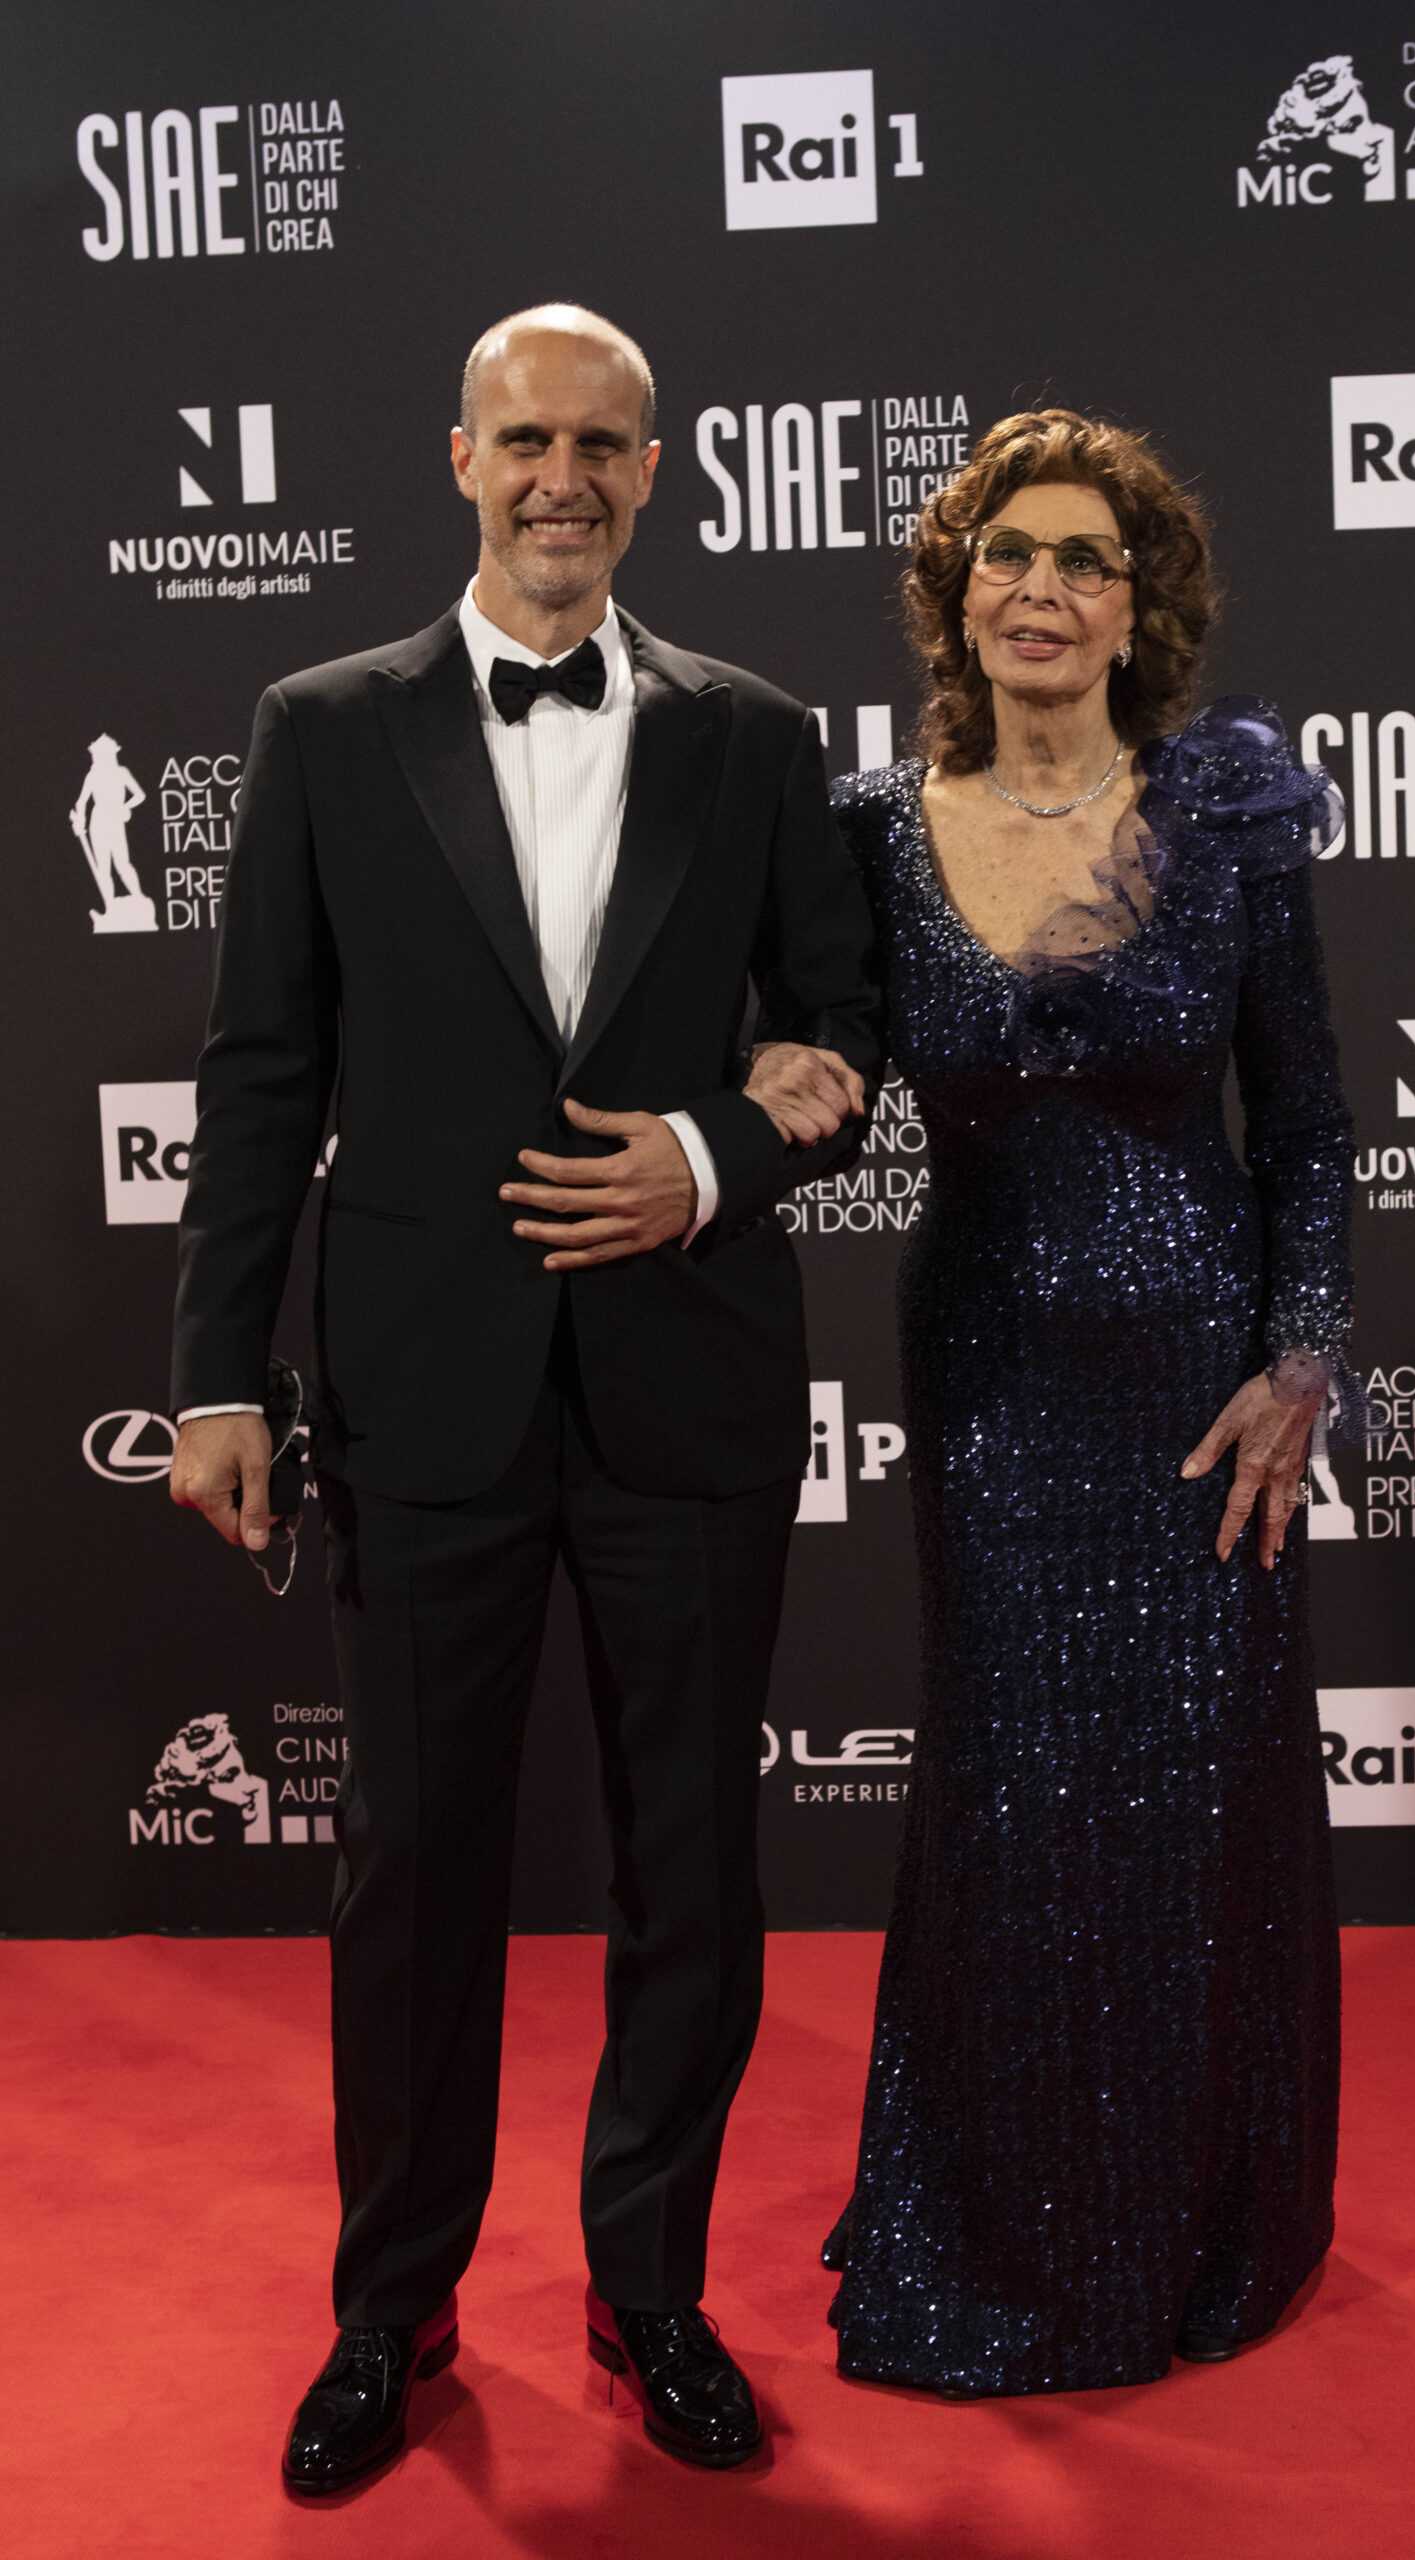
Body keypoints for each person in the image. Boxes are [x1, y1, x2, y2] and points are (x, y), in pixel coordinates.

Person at [168, 303, 880, 2488]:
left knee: (690, 1861)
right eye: (524, 440)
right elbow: (261, 1067)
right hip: (417, 1391)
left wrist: (705, 1155)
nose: (562, 475)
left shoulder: (754, 736)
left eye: (602, 442)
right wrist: (215, 1371)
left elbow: (846, 1038)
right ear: (456, 459)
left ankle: (647, 2284)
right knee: (409, 1872)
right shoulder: (321, 723)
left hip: (689, 1393)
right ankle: (391, 2311)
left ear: (652, 470)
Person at [824, 409, 1354, 2395]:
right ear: (957, 593)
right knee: (1008, 1807)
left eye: (1082, 558)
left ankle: (1202, 2216)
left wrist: (1299, 1358)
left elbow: (1299, 1120)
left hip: (1197, 1393)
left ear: (1143, 608)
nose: (1039, 587)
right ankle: (990, 2221)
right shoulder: (873, 832)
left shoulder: (1220, 811)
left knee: (1185, 1816)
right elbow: (807, 1057)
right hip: (983, 1383)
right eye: (1004, 553)